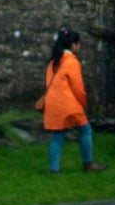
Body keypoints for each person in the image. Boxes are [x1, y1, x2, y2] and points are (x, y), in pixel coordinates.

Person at [41, 28, 106, 173]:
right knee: (85, 130)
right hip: (68, 103)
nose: (79, 47)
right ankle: (88, 164)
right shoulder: (72, 62)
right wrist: (82, 103)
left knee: (57, 136)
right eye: (78, 44)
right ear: (73, 45)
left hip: (52, 102)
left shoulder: (53, 61)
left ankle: (54, 169)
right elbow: (78, 88)